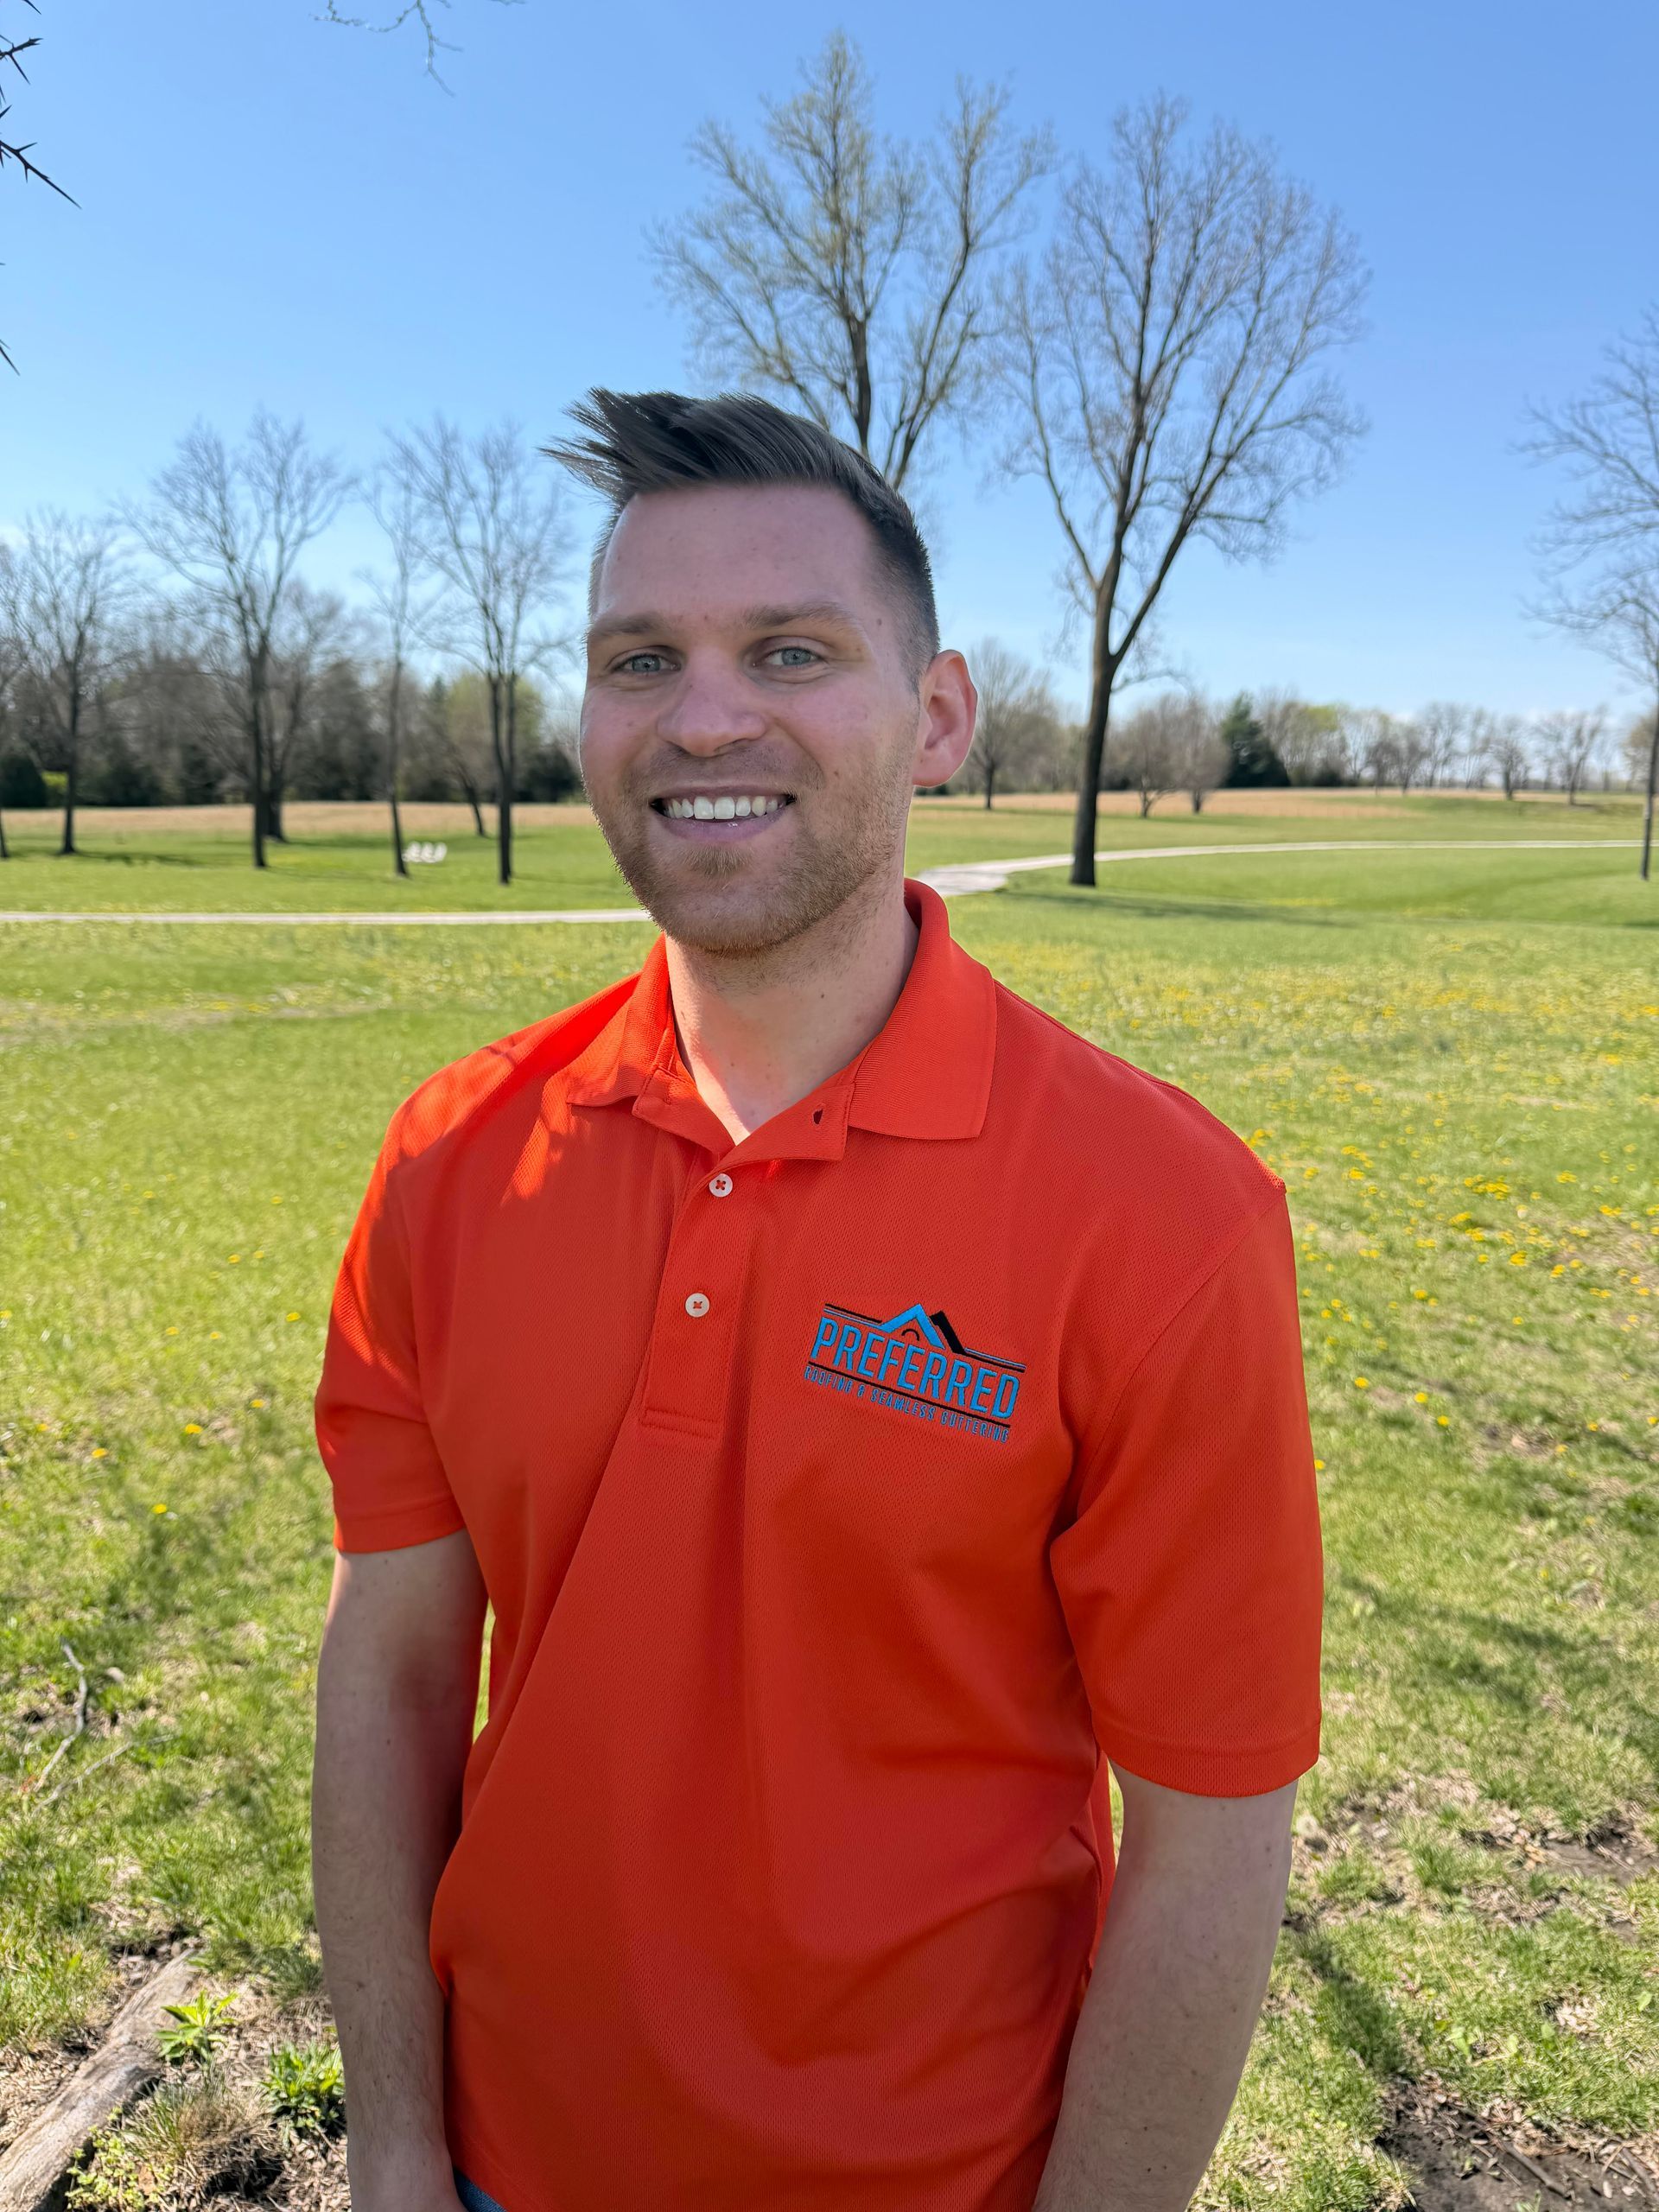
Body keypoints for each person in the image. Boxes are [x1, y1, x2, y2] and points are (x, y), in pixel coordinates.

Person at [310, 389, 1323, 2212]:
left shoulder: (1168, 1219)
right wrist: (390, 2137)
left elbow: (1214, 1822)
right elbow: (389, 1668)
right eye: (642, 658)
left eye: (791, 647)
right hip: (496, 2168)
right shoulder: (452, 1159)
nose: (706, 714)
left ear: (935, 714)